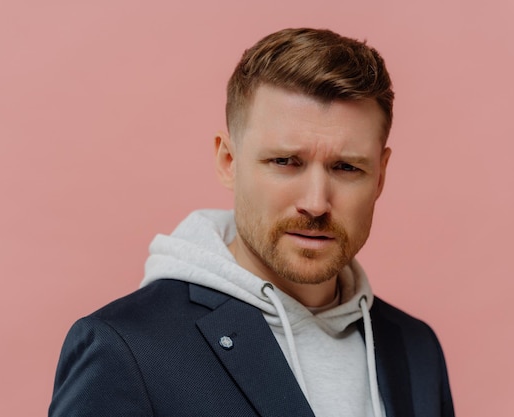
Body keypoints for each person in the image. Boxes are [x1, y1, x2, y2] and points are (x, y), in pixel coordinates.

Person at [49, 27, 455, 417]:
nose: (315, 204)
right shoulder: (127, 350)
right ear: (228, 162)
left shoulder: (415, 349)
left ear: (380, 176)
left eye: (347, 167)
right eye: (284, 162)